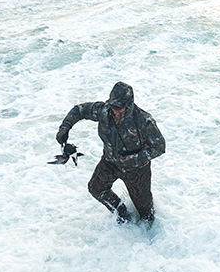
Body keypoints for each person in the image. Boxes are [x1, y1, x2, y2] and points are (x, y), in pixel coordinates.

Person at [54, 81, 165, 224]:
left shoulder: (144, 120)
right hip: (110, 162)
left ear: (129, 104)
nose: (115, 111)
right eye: (113, 106)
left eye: (119, 108)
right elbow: (79, 110)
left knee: (146, 215)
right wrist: (65, 127)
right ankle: (123, 215)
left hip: (136, 170)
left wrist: (133, 159)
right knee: (96, 188)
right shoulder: (104, 111)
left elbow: (159, 146)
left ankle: (147, 234)